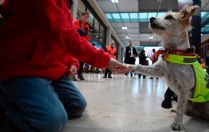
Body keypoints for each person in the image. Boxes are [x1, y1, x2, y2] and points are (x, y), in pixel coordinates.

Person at [0, 1, 127, 131]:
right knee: (49, 122)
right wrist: (104, 60)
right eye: (85, 16)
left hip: (49, 66)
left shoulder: (66, 6)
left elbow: (60, 40)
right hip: (23, 65)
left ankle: (40, 96)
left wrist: (71, 62)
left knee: (76, 106)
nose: (86, 18)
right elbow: (65, 35)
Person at [73, 12, 91, 80]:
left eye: (86, 17)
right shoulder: (76, 21)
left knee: (82, 59)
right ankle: (73, 74)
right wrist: (83, 34)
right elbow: (77, 31)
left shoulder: (86, 26)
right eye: (84, 16)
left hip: (82, 44)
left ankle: (80, 74)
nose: (85, 18)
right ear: (81, 16)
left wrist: (83, 34)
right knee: (75, 59)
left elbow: (87, 36)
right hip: (74, 43)